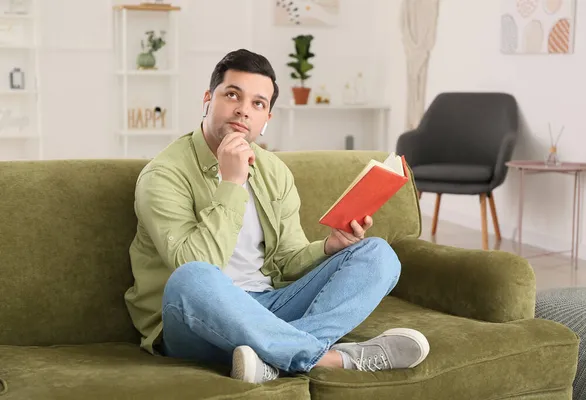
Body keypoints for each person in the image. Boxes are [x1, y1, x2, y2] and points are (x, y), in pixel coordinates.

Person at [124, 48, 430, 384]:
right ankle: (331, 358)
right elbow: (197, 263)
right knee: (192, 277)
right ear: (208, 100)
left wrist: (329, 247)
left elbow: (287, 261)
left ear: (267, 118)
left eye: (258, 103)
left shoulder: (273, 171)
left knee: (379, 255)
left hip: (270, 305)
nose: (243, 110)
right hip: (195, 320)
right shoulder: (164, 174)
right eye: (232, 95)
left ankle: (270, 358)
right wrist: (232, 182)